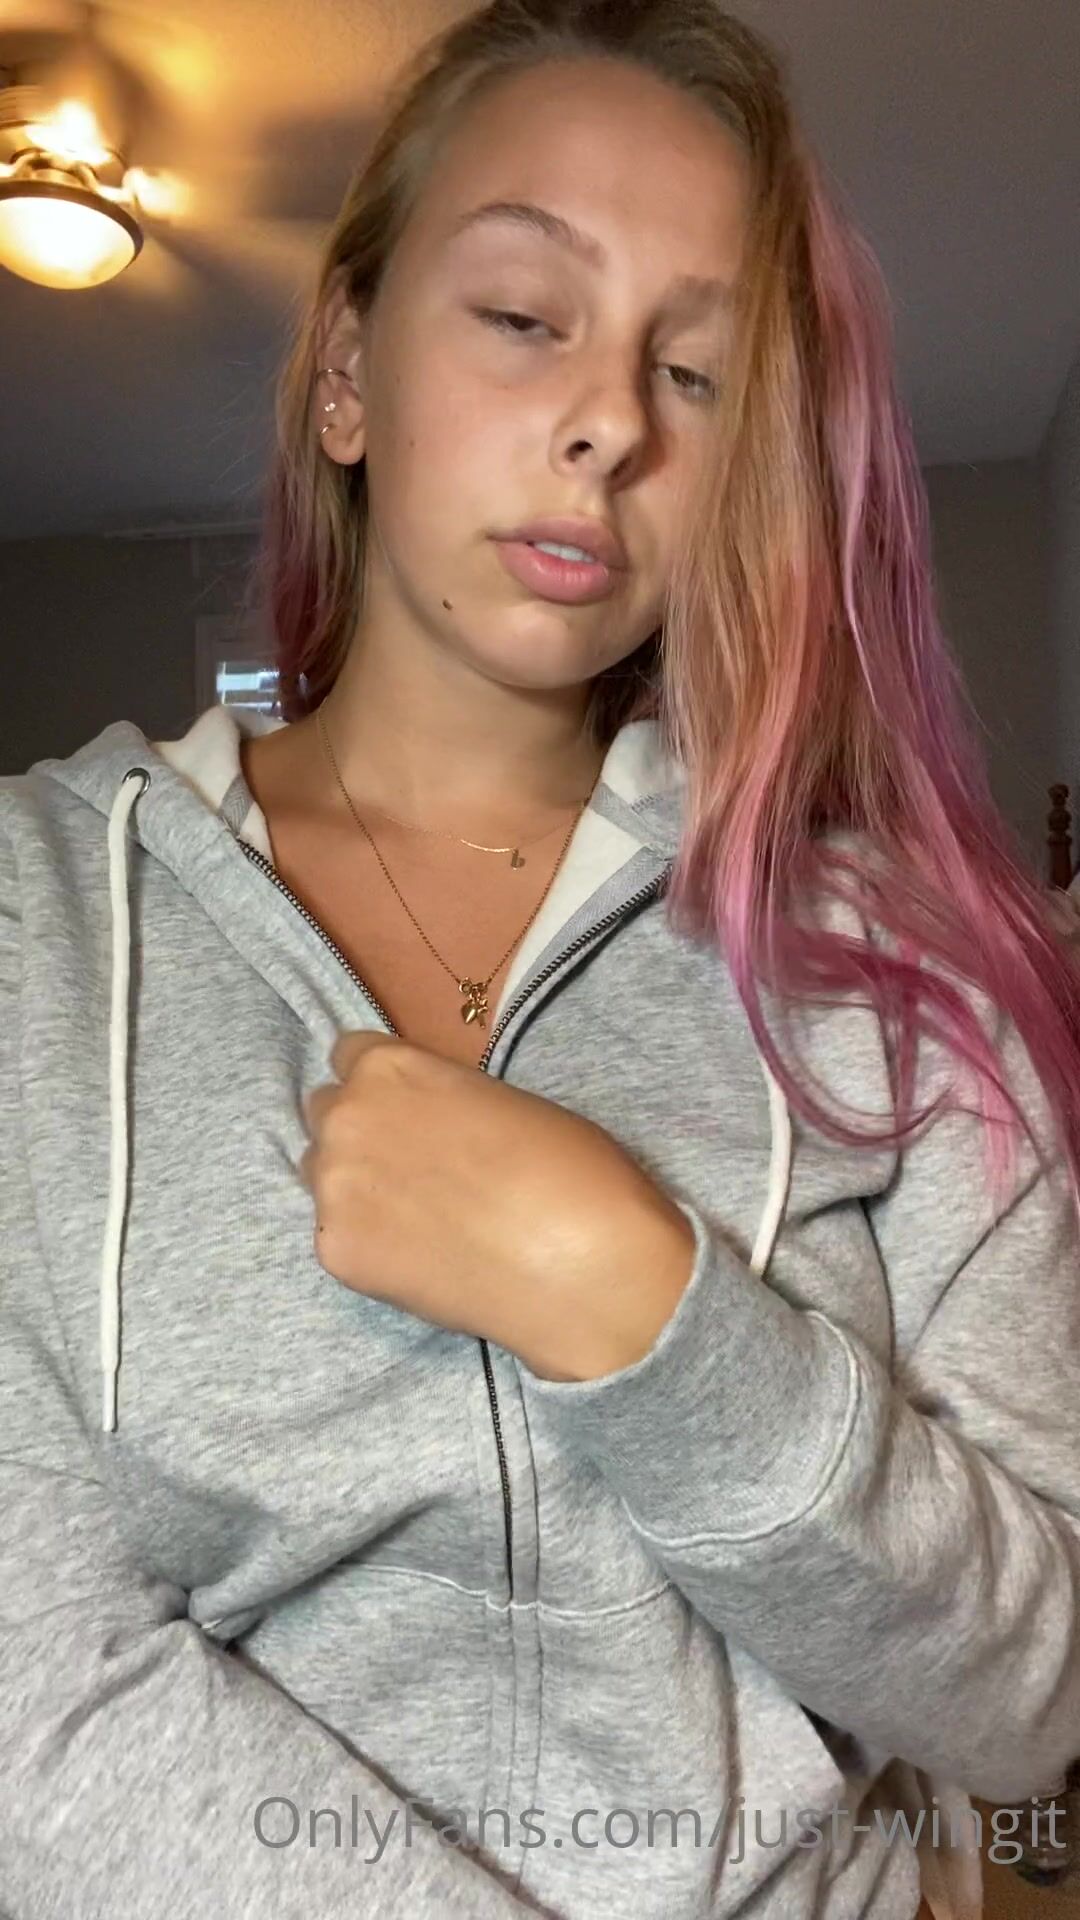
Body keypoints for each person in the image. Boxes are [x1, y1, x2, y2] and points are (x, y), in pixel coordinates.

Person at [1, 3, 1078, 1916]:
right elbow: (36, 1710)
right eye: (522, 315)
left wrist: (636, 1303)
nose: (612, 422)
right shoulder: (34, 927)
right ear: (348, 372)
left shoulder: (905, 982)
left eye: (697, 371)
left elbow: (1030, 1706)